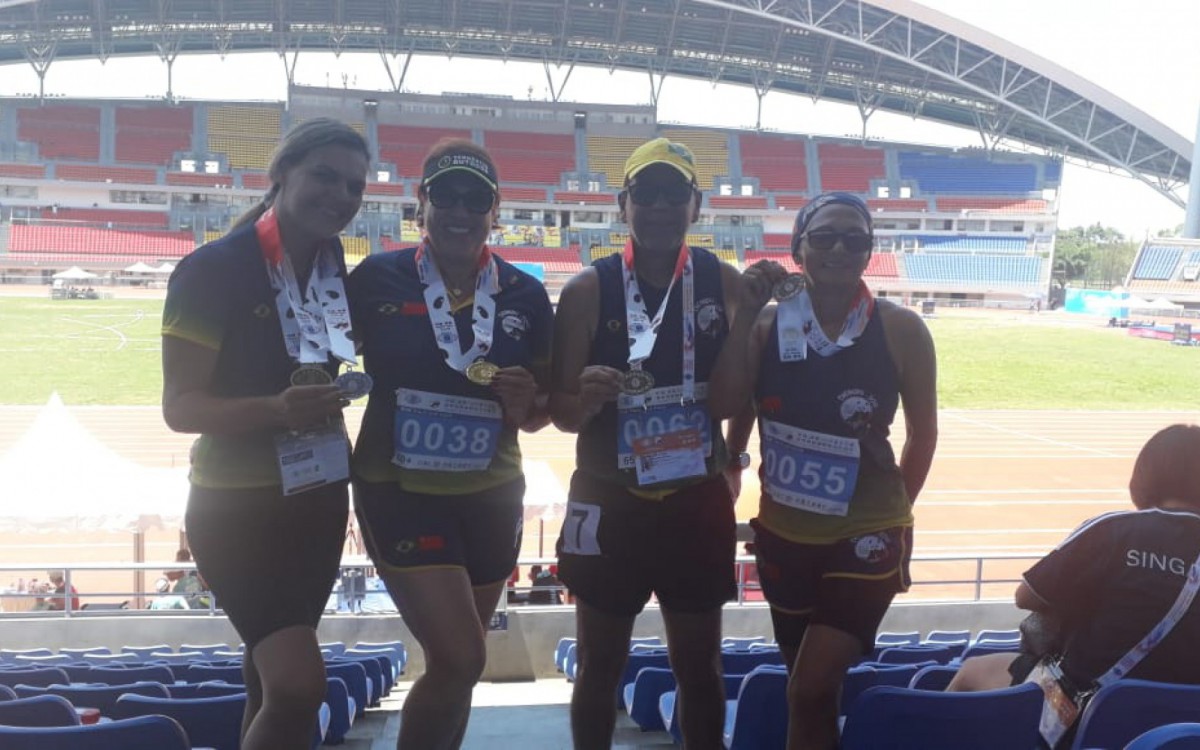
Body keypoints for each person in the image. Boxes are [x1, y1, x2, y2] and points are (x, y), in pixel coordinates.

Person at [161, 117, 370, 750]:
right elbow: (180, 408)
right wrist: (277, 409)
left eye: (355, 186)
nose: (340, 195)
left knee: (269, 680)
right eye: (324, 176)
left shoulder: (336, 269)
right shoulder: (212, 270)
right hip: (237, 510)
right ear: (280, 173)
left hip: (317, 501)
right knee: (300, 685)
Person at [708, 192, 938, 750]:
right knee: (807, 691)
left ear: (869, 254)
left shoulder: (901, 329)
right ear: (798, 248)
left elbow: (923, 433)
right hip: (785, 536)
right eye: (825, 236)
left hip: (866, 536)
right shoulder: (766, 325)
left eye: (854, 238)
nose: (839, 247)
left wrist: (886, 512)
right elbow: (735, 405)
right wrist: (736, 458)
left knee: (809, 688)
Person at [347, 138, 553, 750]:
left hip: (491, 496)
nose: (461, 211)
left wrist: (529, 406)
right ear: (422, 204)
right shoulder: (375, 278)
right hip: (399, 492)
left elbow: (544, 411)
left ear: (496, 211)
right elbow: (312, 354)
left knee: (461, 662)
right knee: (460, 656)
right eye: (447, 196)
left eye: (476, 199)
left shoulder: (524, 293)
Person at [551, 137, 745, 750]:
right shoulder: (588, 290)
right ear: (622, 204)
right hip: (609, 499)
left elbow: (742, 394)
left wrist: (734, 456)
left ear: (697, 206)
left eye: (673, 194)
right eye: (646, 194)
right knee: (598, 666)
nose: (659, 206)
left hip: (695, 499)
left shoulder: (727, 284)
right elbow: (558, 414)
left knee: (700, 668)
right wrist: (581, 396)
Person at [947, 424, 1200, 745]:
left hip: (1082, 711)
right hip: (1181, 728)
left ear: (1146, 475)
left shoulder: (1115, 529)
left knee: (972, 671)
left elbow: (1026, 596)